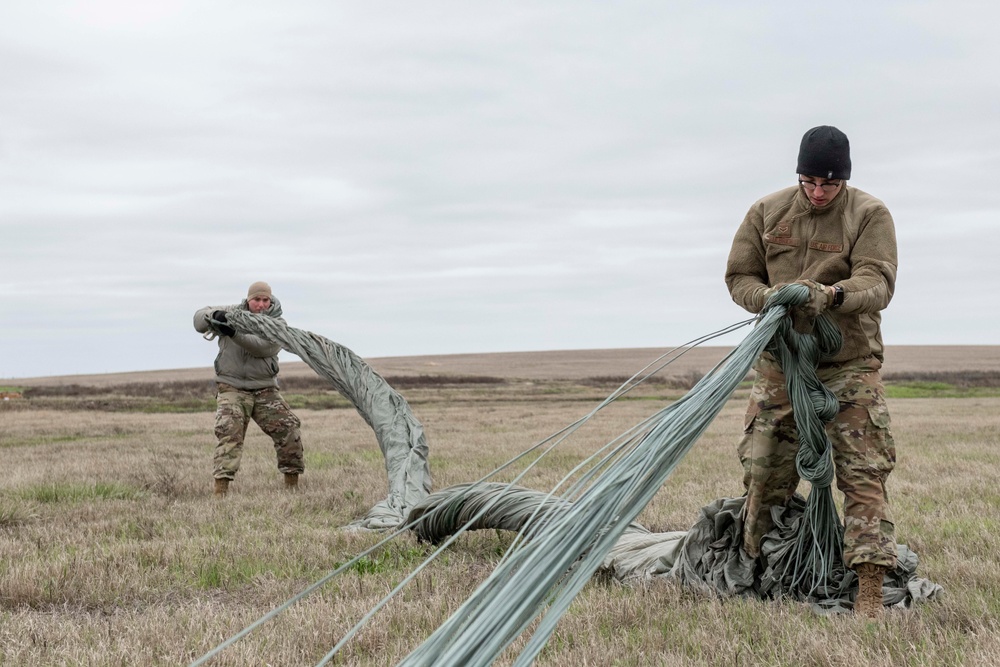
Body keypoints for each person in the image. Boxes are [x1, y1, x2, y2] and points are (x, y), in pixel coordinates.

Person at [724, 126, 898, 617]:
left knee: (863, 471)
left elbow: (877, 282)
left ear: (844, 180)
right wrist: (766, 299)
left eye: (829, 184)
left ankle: (868, 587)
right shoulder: (766, 211)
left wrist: (832, 297)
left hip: (848, 363)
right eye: (809, 182)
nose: (818, 192)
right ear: (798, 175)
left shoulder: (869, 214)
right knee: (763, 469)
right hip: (781, 360)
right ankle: (758, 563)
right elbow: (739, 276)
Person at [193, 281, 305, 496]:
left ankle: (292, 485)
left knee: (289, 428)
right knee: (229, 432)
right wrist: (215, 316)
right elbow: (198, 320)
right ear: (248, 300)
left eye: (265, 300)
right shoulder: (232, 313)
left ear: (270, 301)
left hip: (265, 389)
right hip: (231, 387)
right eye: (256, 300)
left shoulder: (278, 324)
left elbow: (262, 347)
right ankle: (221, 492)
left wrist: (233, 332)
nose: (261, 304)